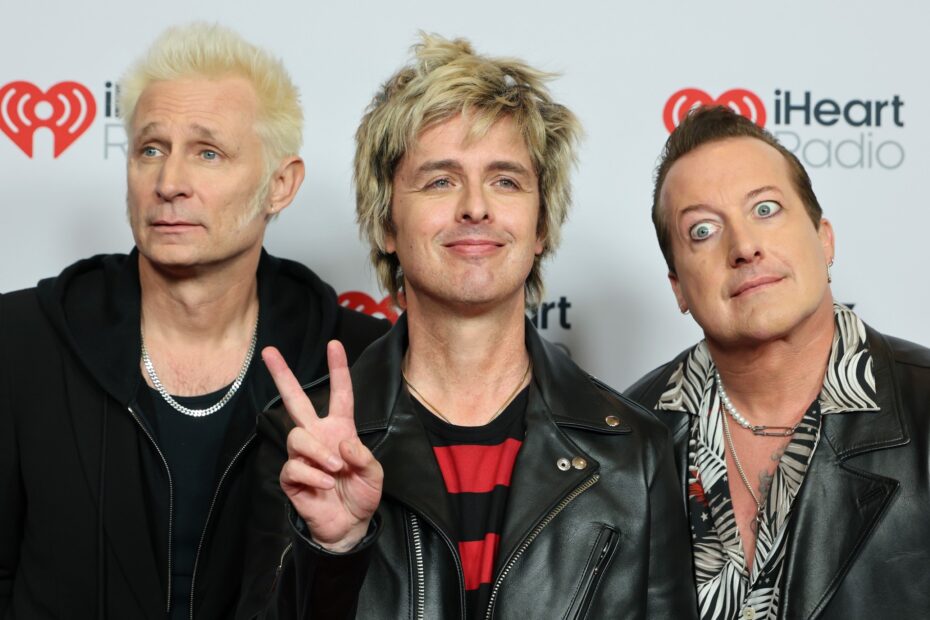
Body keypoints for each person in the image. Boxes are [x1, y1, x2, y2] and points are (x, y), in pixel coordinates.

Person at [254, 34, 697, 619]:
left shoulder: (633, 450)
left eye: (505, 180)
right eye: (440, 180)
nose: (475, 207)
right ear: (387, 224)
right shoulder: (301, 439)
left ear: (541, 225)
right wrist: (333, 554)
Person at [0, 23, 388, 619]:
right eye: (151, 150)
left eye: (208, 153)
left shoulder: (362, 363)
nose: (168, 184)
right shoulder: (20, 340)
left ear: (280, 185)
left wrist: (338, 549)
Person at [626, 105, 930, 619]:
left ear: (824, 238)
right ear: (678, 287)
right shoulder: (626, 437)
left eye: (765, 209)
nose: (744, 247)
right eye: (702, 230)